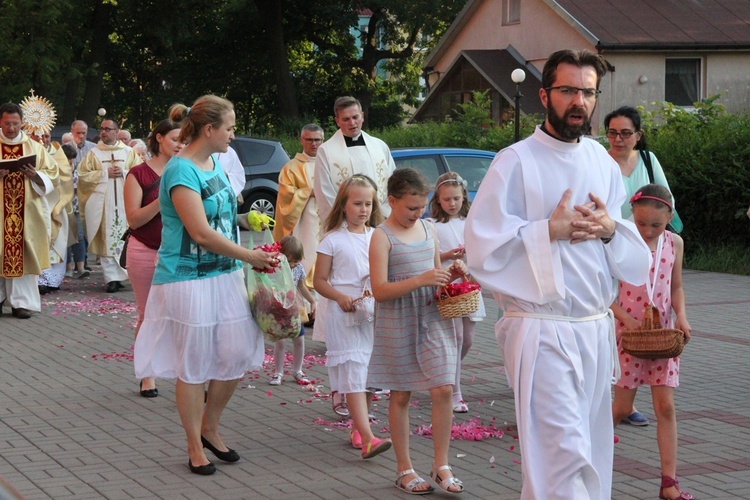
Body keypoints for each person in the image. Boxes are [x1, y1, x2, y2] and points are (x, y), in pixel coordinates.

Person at [464, 49, 651, 500]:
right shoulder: (515, 161)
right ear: (545, 95)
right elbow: (481, 246)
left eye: (588, 92)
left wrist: (609, 231)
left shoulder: (603, 163)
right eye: (568, 91)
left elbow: (627, 254)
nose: (579, 102)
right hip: (542, 330)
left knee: (588, 452)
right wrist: (548, 230)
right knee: (562, 455)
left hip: (592, 331)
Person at [133, 95, 278, 476]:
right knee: (194, 364)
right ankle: (194, 445)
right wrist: (251, 258)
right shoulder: (181, 171)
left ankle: (210, 426)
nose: (233, 134)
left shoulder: (214, 162)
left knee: (236, 352)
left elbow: (222, 218)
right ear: (210, 129)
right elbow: (199, 232)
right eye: (229, 127)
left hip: (224, 274)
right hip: (187, 280)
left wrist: (249, 222)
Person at [368, 168, 467, 495]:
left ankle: (441, 465)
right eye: (410, 208)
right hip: (399, 321)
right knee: (402, 393)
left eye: (421, 207)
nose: (418, 213)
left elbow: (435, 272)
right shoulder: (381, 236)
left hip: (434, 316)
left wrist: (452, 275)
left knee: (443, 389)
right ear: (392, 201)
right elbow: (379, 290)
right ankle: (404, 468)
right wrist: (421, 280)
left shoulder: (428, 227)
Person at [610, 184, 694, 500]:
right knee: (620, 408)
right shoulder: (621, 240)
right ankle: (588, 459)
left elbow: (676, 287)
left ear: (670, 217)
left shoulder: (675, 243)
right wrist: (625, 318)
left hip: (662, 335)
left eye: (656, 225)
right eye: (641, 223)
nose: (647, 230)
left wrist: (682, 316)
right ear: (632, 214)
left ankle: (669, 483)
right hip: (628, 335)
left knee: (665, 406)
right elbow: (604, 291)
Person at [605, 105, 682, 427]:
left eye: (625, 133)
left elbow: (667, 201)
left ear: (638, 135)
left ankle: (626, 405)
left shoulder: (648, 161)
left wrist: (666, 239)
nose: (618, 139)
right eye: (612, 132)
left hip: (648, 240)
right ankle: (621, 403)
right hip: (615, 243)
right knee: (621, 313)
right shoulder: (599, 161)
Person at [313, 174, 392, 459]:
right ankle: (369, 437)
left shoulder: (378, 235)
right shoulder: (332, 240)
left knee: (368, 373)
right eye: (357, 203)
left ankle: (359, 428)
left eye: (368, 204)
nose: (363, 209)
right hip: (344, 312)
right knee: (355, 371)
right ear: (343, 205)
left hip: (372, 311)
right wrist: (339, 296)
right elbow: (319, 280)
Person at [124, 119, 183, 398]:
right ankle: (147, 374)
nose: (181, 145)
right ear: (159, 138)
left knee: (185, 315)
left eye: (185, 140)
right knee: (148, 315)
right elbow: (134, 220)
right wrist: (164, 197)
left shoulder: (188, 171)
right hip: (146, 249)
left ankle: (190, 376)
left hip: (179, 252)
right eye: (175, 139)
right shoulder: (138, 174)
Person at [428, 171, 486, 414]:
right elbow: (429, 257)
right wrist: (446, 255)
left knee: (468, 339)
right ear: (438, 200)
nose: (452, 204)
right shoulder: (432, 226)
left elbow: (480, 252)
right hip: (449, 287)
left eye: (457, 199)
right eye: (447, 199)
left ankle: (444, 371)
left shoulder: (470, 223)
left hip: (469, 285)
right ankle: (455, 391)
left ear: (464, 198)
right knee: (457, 338)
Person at [0, 102, 59, 319]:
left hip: (26, 212)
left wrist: (36, 175)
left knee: (24, 255)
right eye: (7, 123)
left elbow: (53, 174)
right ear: (0, 122)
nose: (12, 128)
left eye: (15, 123)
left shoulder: (34, 147)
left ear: (21, 123)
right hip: (0, 214)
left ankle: (21, 303)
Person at [77, 119, 139, 293]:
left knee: (125, 237)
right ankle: (111, 278)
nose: (104, 132)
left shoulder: (129, 152)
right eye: (102, 129)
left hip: (126, 202)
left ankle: (124, 276)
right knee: (106, 238)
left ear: (116, 131)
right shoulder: (94, 153)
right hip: (103, 205)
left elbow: (141, 173)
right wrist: (104, 174)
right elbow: (83, 176)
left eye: (108, 129)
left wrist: (125, 173)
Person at [314, 96, 395, 222]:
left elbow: (392, 181)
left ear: (362, 116)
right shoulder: (326, 151)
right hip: (345, 223)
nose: (352, 123)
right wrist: (342, 219)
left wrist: (384, 214)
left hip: (380, 218)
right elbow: (324, 191)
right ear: (337, 121)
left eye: (355, 117)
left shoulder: (380, 146)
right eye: (346, 119)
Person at [273, 124, 324, 290]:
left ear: (323, 141)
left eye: (317, 140)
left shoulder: (330, 164)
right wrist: (309, 192)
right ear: (302, 140)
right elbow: (286, 196)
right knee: (307, 254)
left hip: (327, 218)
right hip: (304, 222)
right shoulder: (291, 167)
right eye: (309, 139)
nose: (313, 144)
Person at [268, 235, 317, 386]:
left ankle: (298, 370)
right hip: (280, 309)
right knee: (280, 341)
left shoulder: (298, 269)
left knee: (300, 340)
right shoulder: (276, 268)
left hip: (294, 309)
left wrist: (312, 300)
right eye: (289, 261)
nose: (293, 265)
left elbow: (302, 286)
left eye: (296, 261)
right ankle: (278, 371)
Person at [38, 140, 75, 294]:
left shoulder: (58, 154)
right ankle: (39, 279)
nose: (41, 138)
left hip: (56, 204)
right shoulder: (28, 150)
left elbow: (64, 178)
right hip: (36, 204)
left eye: (45, 135)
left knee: (57, 241)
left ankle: (53, 280)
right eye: (36, 134)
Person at [66, 120, 96, 279]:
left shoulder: (93, 149)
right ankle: (68, 267)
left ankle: (82, 265)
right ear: (72, 132)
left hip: (84, 198)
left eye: (84, 133)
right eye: (78, 132)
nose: (81, 136)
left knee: (80, 234)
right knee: (66, 235)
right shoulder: (64, 149)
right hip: (66, 200)